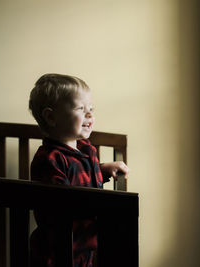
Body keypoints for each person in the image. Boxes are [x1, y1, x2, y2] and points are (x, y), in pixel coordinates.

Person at [28, 73, 129, 267]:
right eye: (81, 109)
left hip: (83, 247)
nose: (90, 115)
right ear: (51, 117)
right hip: (58, 251)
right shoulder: (49, 159)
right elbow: (62, 201)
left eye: (91, 108)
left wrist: (103, 170)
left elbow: (83, 177)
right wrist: (104, 209)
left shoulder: (86, 149)